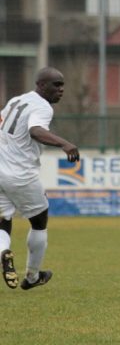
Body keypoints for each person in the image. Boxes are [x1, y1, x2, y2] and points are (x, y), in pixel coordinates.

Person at [0, 67, 79, 291]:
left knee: (3, 220)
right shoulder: (42, 107)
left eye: (62, 85)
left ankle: (3, 253)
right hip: (20, 173)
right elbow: (35, 130)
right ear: (41, 85)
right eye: (56, 85)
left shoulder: (16, 100)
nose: (61, 90)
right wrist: (65, 143)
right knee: (39, 222)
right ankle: (33, 276)